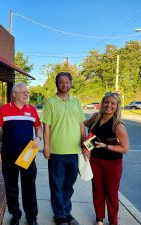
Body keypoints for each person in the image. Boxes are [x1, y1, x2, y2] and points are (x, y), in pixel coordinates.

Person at [0, 82, 42, 225]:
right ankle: (15, 214)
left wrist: (38, 138)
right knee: (11, 186)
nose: (27, 94)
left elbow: (38, 128)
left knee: (29, 186)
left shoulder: (32, 110)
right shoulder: (4, 109)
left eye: (27, 92)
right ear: (15, 94)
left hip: (27, 155)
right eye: (23, 92)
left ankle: (31, 217)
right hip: (8, 155)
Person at [40, 72, 85, 225]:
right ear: (57, 84)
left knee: (69, 185)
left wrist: (84, 146)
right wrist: (46, 147)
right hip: (56, 151)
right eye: (61, 82)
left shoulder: (77, 102)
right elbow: (46, 127)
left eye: (67, 82)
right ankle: (59, 215)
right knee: (57, 185)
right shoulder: (50, 102)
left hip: (74, 151)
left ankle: (66, 211)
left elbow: (81, 125)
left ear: (71, 83)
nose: (65, 85)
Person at [82, 92, 129, 225]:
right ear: (102, 104)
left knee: (111, 193)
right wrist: (85, 146)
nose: (109, 105)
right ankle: (99, 218)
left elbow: (125, 148)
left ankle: (113, 221)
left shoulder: (118, 125)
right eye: (106, 102)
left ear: (117, 106)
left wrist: (107, 146)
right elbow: (82, 125)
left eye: (112, 103)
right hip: (95, 160)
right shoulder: (96, 117)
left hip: (112, 163)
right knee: (97, 189)